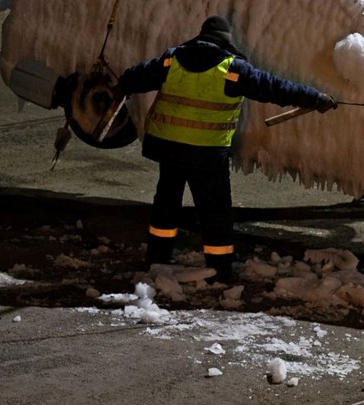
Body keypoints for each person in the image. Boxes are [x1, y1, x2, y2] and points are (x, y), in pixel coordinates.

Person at [117, 15, 336, 282]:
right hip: (207, 155)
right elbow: (277, 88)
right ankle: (219, 269)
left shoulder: (171, 61)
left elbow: (133, 77)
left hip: (170, 151)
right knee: (215, 213)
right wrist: (315, 98)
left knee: (166, 206)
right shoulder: (233, 69)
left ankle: (156, 259)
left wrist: (120, 86)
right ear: (225, 42)